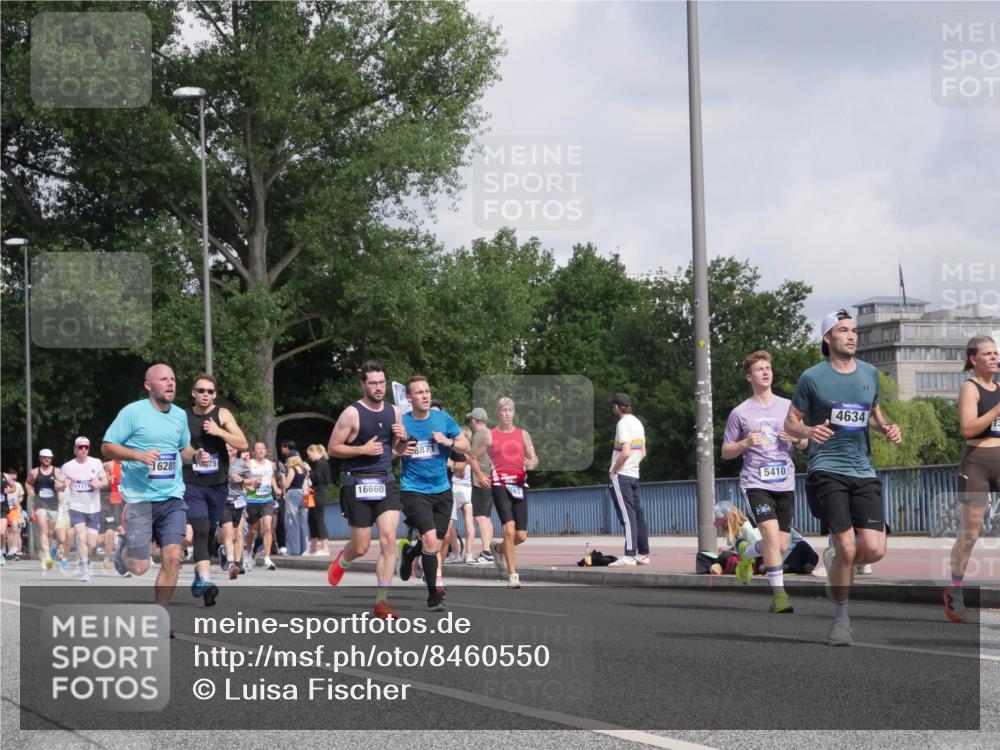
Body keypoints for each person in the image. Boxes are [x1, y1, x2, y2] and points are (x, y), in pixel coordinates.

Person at [784, 309, 902, 646]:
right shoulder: (812, 378)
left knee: (875, 549)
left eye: (854, 330)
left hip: (863, 470)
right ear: (827, 338)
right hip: (827, 470)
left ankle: (836, 558)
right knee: (849, 545)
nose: (851, 336)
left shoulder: (869, 373)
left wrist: (887, 428)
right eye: (843, 330)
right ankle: (841, 620)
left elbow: (874, 415)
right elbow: (789, 423)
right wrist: (808, 429)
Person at [103, 364, 212, 609]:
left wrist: (196, 457)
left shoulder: (179, 415)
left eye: (173, 378)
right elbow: (107, 447)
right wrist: (137, 455)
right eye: (164, 379)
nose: (171, 383)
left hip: (172, 497)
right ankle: (123, 554)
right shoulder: (132, 413)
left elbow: (182, 448)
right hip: (140, 500)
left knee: (173, 556)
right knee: (139, 567)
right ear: (148, 386)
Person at [721, 352, 809, 613]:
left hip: (785, 483)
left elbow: (805, 441)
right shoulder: (740, 413)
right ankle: (780, 596)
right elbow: (726, 451)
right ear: (750, 377)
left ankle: (746, 554)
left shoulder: (787, 407)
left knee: (781, 545)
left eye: (768, 368)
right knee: (770, 534)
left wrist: (794, 439)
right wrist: (745, 443)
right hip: (756, 482)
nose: (765, 372)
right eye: (759, 369)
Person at [327, 362, 409, 619]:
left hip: (385, 482)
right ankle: (344, 559)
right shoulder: (351, 413)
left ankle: (381, 602)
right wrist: (361, 450)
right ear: (363, 384)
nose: (378, 387)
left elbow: (396, 451)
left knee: (388, 538)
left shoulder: (394, 412)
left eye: (382, 383)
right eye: (373, 383)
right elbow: (333, 448)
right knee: (361, 546)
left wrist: (404, 438)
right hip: (357, 483)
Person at [396, 375, 469, 610]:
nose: (425, 396)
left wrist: (448, 442)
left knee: (434, 543)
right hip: (414, 490)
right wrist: (400, 449)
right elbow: (389, 452)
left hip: (442, 490)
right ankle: (433, 594)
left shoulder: (443, 419)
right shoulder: (402, 422)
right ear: (408, 397)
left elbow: (465, 445)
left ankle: (409, 554)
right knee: (429, 539)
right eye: (419, 392)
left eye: (427, 391)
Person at [945, 335, 1000, 623]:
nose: (994, 357)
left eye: (996, 353)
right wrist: (997, 408)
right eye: (987, 353)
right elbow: (968, 429)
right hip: (977, 462)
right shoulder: (970, 388)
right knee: (970, 534)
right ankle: (955, 591)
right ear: (973, 359)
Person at [183, 373, 248, 605]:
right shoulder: (183, 417)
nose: (205, 395)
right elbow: (178, 447)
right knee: (200, 529)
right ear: (193, 393)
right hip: (192, 482)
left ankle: (200, 573)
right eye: (201, 390)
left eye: (210, 391)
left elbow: (242, 443)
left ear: (215, 394)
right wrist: (194, 455)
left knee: (209, 533)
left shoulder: (222, 414)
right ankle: (207, 579)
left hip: (219, 484)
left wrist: (219, 431)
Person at [471, 397, 539, 588]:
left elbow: (533, 457)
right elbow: (473, 458)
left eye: (510, 410)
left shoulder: (523, 434)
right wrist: (480, 475)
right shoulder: (489, 435)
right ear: (498, 413)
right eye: (503, 410)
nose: (507, 414)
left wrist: (532, 462)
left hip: (519, 486)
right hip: (499, 485)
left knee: (521, 536)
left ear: (514, 412)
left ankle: (498, 549)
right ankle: (513, 575)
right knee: (508, 530)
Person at [607, 393, 649, 568]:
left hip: (621, 475)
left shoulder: (622, 423)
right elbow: (643, 452)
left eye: (612, 406)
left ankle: (630, 554)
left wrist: (614, 470)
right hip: (634, 473)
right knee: (637, 514)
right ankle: (643, 553)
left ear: (617, 407)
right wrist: (632, 465)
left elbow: (625, 451)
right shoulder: (637, 423)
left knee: (627, 515)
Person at [61, 437, 107, 582]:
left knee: (92, 542)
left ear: (88, 448)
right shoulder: (67, 466)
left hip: (93, 507)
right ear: (75, 448)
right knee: (81, 537)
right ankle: (85, 570)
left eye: (85, 447)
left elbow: (105, 482)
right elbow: (58, 485)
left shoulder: (96, 462)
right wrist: (64, 484)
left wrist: (99, 484)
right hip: (76, 507)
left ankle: (88, 560)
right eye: (80, 447)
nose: (83, 449)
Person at [26, 449, 64, 570]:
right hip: (40, 504)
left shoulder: (57, 471)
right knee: (43, 530)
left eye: (49, 457)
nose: (47, 459)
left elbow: (63, 485)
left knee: (50, 532)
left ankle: (46, 551)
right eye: (45, 457)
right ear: (40, 458)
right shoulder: (34, 472)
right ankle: (47, 556)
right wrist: (30, 491)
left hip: (53, 505)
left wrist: (60, 487)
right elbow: (27, 483)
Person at [245, 441, 280, 571]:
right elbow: (245, 481)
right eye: (257, 449)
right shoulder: (249, 464)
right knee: (252, 531)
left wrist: (276, 487)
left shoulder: (271, 464)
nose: (260, 451)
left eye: (262, 449)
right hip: (253, 500)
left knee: (267, 528)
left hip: (267, 499)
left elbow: (272, 478)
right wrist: (253, 483)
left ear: (266, 450)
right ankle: (248, 553)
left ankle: (267, 558)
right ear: (254, 452)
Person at [467, 408, 495, 564]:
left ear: (473, 420)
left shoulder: (480, 435)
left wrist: (480, 475)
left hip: (481, 481)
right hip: (491, 479)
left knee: (480, 516)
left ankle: (486, 552)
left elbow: (473, 458)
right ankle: (489, 550)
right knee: (487, 517)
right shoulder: (490, 433)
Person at [221, 443, 252, 579]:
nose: (228, 451)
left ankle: (237, 560)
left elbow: (252, 481)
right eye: (226, 449)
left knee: (237, 533)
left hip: (239, 502)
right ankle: (231, 563)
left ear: (236, 450)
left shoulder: (241, 463)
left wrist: (242, 479)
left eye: (231, 449)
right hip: (222, 501)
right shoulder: (218, 461)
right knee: (228, 533)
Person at [446, 425, 475, 564]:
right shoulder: (472, 455)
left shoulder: (457, 454)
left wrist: (450, 463)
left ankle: (456, 553)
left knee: (450, 522)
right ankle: (469, 553)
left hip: (456, 488)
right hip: (468, 491)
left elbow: (460, 471)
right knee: (469, 522)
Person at [305, 444, 331, 556]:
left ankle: (325, 548)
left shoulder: (321, 463)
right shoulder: (320, 463)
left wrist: (309, 470)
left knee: (319, 520)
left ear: (315, 452)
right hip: (315, 493)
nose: (310, 457)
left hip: (318, 494)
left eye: (310, 455)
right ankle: (313, 548)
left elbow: (317, 479)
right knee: (312, 520)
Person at [282, 455, 310, 556]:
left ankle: (293, 550)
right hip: (302, 493)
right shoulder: (304, 470)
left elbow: (287, 485)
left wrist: (282, 478)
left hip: (293, 493)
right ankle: (304, 548)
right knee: (303, 521)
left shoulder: (292, 469)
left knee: (292, 521)